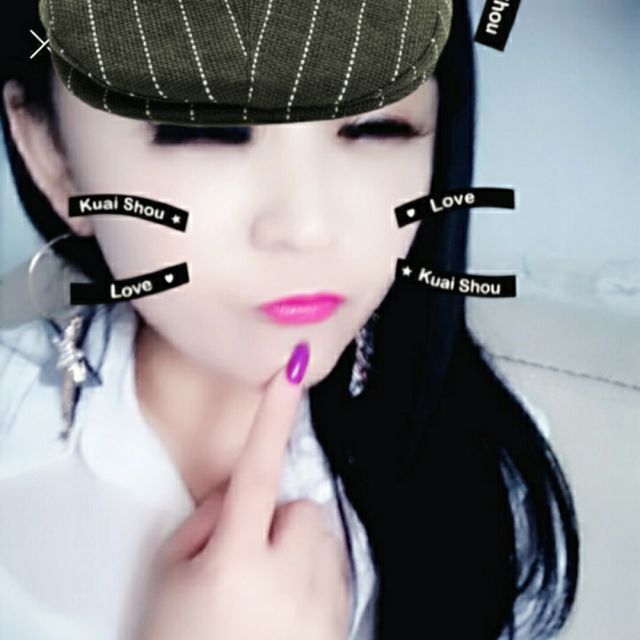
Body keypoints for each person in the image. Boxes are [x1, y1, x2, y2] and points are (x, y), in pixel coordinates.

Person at [0, 1, 579, 638]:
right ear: (52, 155)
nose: (307, 228)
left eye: (376, 127)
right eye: (209, 127)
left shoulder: (493, 470)